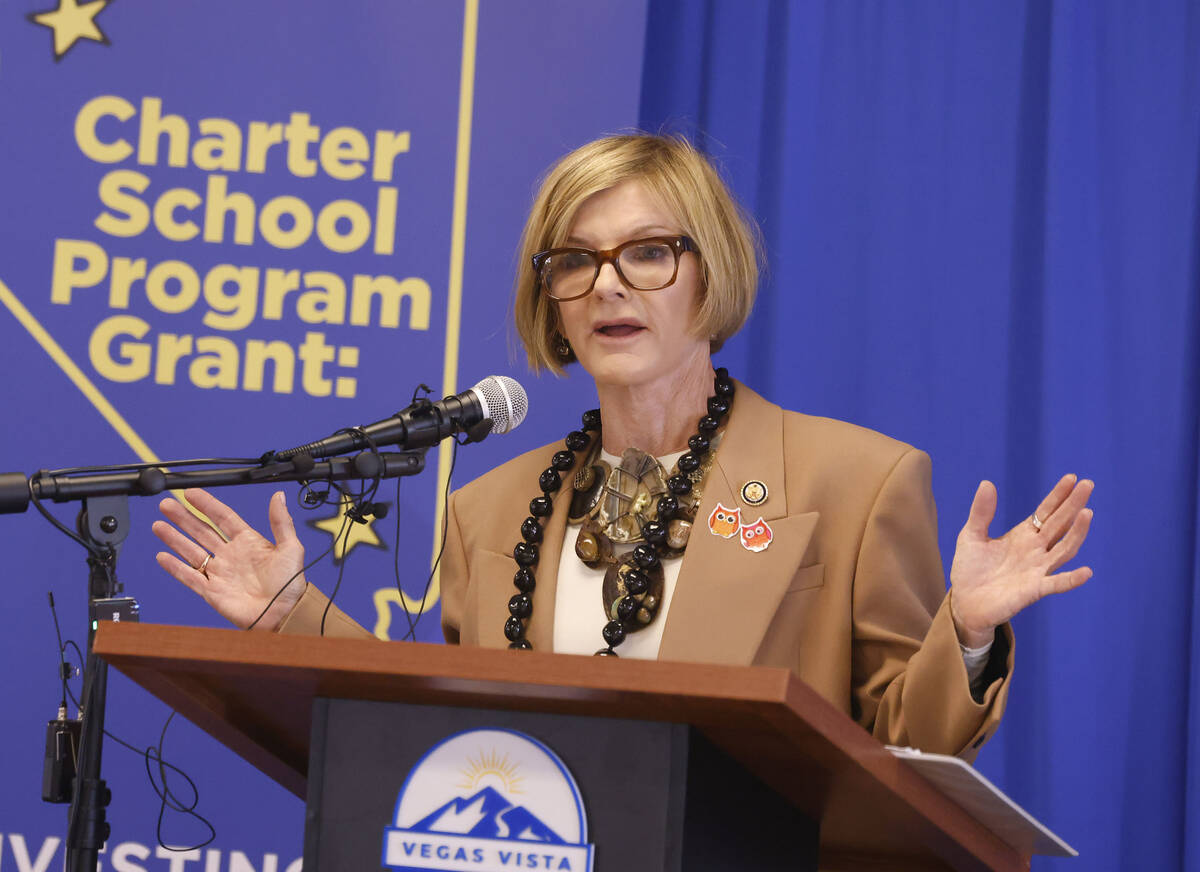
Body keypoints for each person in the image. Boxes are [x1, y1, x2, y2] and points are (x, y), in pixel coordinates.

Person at [152, 134, 1094, 757]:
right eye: (575, 259)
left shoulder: (856, 481)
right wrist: (293, 613)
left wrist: (967, 632)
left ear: (709, 275)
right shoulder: (488, 512)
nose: (608, 284)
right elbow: (451, 731)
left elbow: (905, 749)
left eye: (647, 252)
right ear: (554, 302)